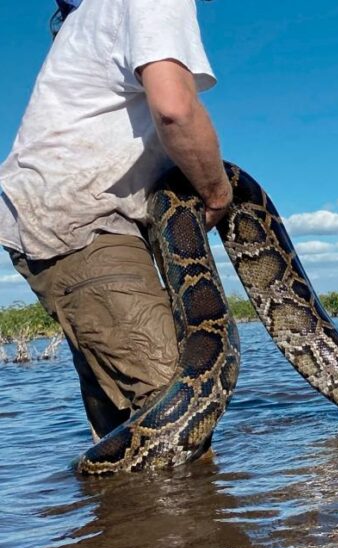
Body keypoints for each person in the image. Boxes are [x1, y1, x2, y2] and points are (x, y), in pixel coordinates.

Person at [0, 0, 232, 441]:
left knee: (123, 428)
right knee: (175, 411)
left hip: (62, 217)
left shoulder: (95, 12)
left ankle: (116, 511)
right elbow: (174, 108)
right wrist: (218, 192)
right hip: (87, 223)